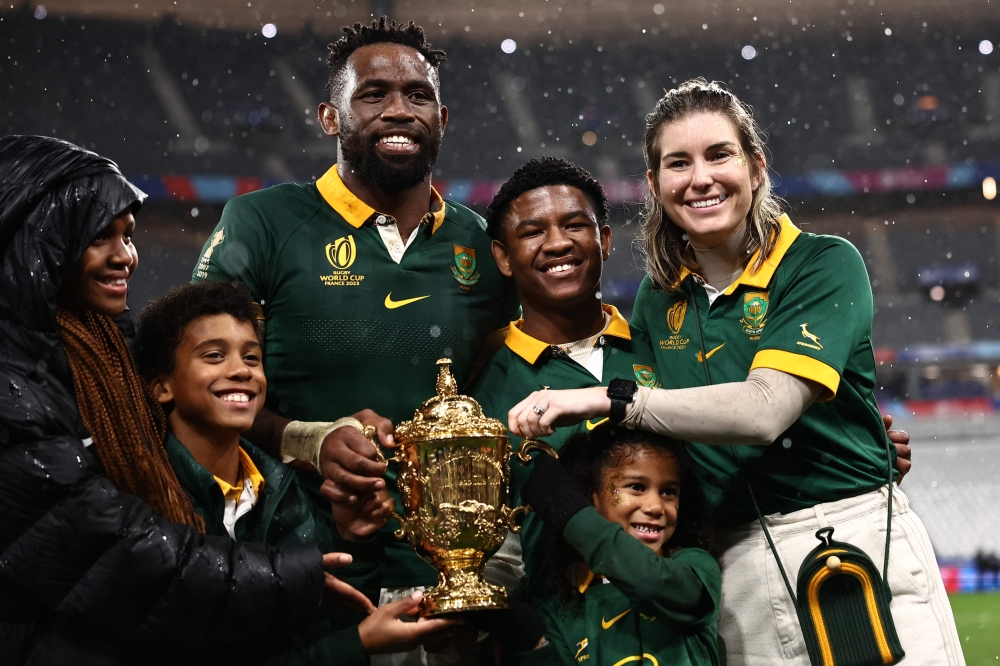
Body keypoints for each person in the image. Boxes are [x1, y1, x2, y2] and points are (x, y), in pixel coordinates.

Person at [505, 79, 959, 666]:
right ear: (653, 185)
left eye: (719, 154)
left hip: (854, 538)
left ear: (756, 167)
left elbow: (765, 411)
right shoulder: (655, 299)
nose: (700, 178)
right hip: (733, 558)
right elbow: (661, 440)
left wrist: (610, 399)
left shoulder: (823, 263)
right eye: (678, 163)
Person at [191, 18, 517, 663]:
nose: (399, 109)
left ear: (443, 117)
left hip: (456, 577)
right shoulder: (262, 221)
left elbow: (497, 381)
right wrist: (306, 439)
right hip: (301, 555)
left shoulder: (479, 241)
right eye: (373, 94)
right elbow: (192, 385)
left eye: (417, 94)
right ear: (329, 117)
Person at [0, 135, 360, 664]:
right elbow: (110, 549)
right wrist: (288, 576)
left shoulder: (95, 353)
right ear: (44, 239)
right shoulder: (15, 385)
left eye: (130, 236)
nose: (126, 256)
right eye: (102, 236)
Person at [135, 280, 456, 664]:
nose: (241, 370)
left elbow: (323, 625)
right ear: (160, 387)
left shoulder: (281, 488)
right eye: (215, 356)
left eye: (252, 358)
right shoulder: (147, 497)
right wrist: (358, 643)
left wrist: (353, 540)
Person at [473, 157, 660, 600]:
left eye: (575, 225)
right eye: (533, 231)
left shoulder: (661, 351)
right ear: (502, 256)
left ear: (605, 240)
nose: (557, 243)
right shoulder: (482, 395)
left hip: (679, 629)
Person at [517, 426, 720, 666]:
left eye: (668, 492)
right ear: (591, 496)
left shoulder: (696, 566)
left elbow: (651, 582)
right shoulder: (562, 609)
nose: (655, 506)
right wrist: (530, 643)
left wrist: (572, 516)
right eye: (636, 487)